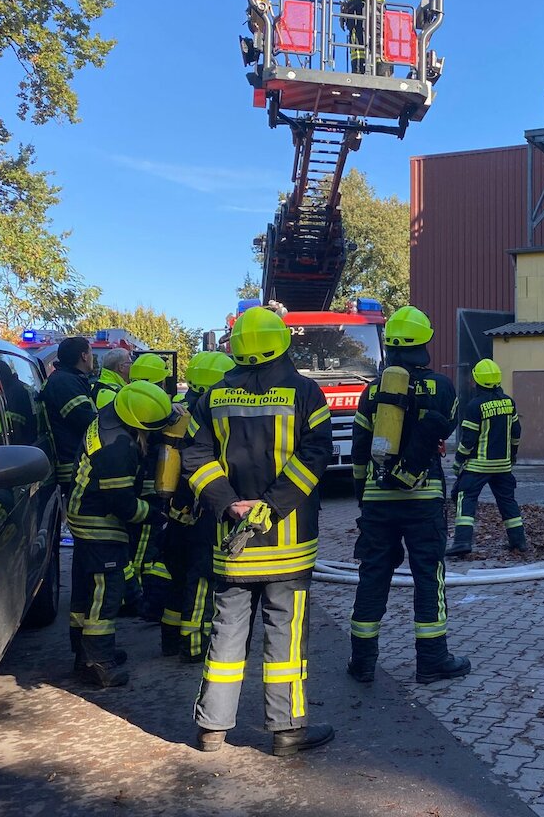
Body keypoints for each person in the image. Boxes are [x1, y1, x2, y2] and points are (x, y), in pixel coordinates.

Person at [184, 307, 334, 756]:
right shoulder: (307, 393)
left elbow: (195, 457)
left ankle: (212, 730)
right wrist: (272, 507)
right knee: (285, 639)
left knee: (226, 633)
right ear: (283, 342)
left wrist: (229, 503)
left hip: (233, 546)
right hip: (288, 546)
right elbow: (316, 457)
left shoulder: (211, 396)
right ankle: (287, 732)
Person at [347, 306, 470, 685]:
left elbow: (359, 449)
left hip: (377, 502)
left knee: (372, 578)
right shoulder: (443, 387)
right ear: (423, 343)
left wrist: (363, 497)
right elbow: (445, 427)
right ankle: (432, 661)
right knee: (428, 577)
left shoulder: (371, 392)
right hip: (422, 498)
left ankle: (362, 663)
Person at [67, 381, 174, 687]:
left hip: (82, 511)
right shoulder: (119, 449)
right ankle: (98, 662)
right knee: (107, 590)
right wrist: (155, 515)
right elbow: (122, 504)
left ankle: (84, 651)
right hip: (98, 520)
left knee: (85, 589)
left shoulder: (109, 415)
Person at [159, 351, 236, 661]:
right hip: (201, 511)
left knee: (177, 577)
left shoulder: (176, 414)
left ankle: (169, 641)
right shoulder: (210, 418)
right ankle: (193, 648)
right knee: (202, 577)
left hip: (174, 511)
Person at [447, 358, 526, 557]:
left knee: (466, 499)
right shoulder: (509, 402)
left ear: (478, 381)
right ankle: (519, 542)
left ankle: (462, 542)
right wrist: (512, 456)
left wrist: (457, 463)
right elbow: (516, 433)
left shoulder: (475, 406)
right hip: (503, 467)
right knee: (508, 501)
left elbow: (468, 440)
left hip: (478, 466)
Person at [126, 351, 173, 617]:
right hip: (150, 492)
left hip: (133, 490)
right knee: (145, 549)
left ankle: (135, 594)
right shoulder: (160, 410)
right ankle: (141, 598)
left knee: (134, 546)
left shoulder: (127, 402)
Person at [39, 336, 97, 501]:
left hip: (76, 463)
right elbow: (84, 420)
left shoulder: (67, 379)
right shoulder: (65, 382)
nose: (92, 357)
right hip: (73, 466)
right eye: (91, 352)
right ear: (84, 356)